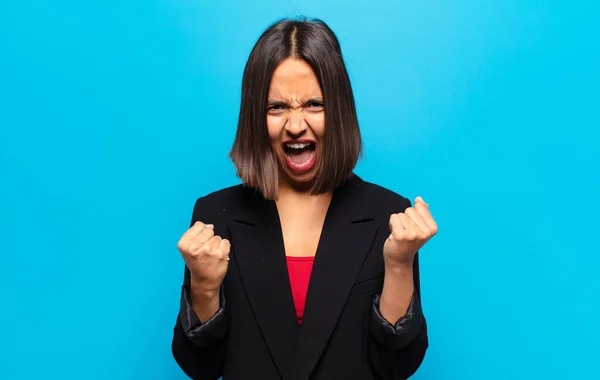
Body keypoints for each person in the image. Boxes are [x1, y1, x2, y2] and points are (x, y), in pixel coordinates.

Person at [171, 17, 438, 380]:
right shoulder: (215, 215)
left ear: (339, 110)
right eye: (276, 107)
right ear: (255, 118)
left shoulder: (389, 216)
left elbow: (396, 365)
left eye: (314, 104)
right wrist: (203, 285)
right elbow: (200, 366)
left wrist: (399, 264)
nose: (295, 125)